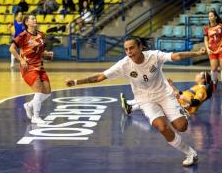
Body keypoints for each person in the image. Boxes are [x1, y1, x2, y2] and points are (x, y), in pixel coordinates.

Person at [65, 37, 206, 166]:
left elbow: (177, 56)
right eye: (126, 49)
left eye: (131, 48)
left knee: (182, 127)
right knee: (162, 127)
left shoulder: (154, 56)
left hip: (164, 94)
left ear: (140, 47)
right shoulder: (124, 65)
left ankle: (178, 113)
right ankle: (190, 153)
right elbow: (100, 77)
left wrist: (197, 53)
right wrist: (76, 82)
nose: (129, 52)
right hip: (145, 100)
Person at [9, 14, 54, 124]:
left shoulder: (40, 35)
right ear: (27, 22)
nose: (35, 20)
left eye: (35, 18)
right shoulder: (23, 35)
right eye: (32, 18)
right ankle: (36, 117)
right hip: (28, 67)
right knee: (38, 90)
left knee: (47, 92)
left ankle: (29, 105)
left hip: (39, 65)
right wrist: (21, 60)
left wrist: (47, 54)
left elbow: (40, 51)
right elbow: (12, 48)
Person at [121, 71, 213, 116]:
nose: (196, 75)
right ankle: (131, 104)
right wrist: (172, 86)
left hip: (181, 108)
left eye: (199, 74)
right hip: (178, 102)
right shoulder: (196, 87)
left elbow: (195, 102)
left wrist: (180, 97)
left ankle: (130, 106)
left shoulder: (201, 90)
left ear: (203, 79)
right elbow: (181, 94)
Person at [204, 9, 222, 94]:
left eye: (211, 15)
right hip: (212, 49)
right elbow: (205, 40)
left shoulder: (221, 26)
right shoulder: (206, 28)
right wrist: (207, 48)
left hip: (221, 48)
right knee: (214, 68)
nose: (209, 17)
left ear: (215, 17)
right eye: (209, 16)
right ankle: (214, 83)